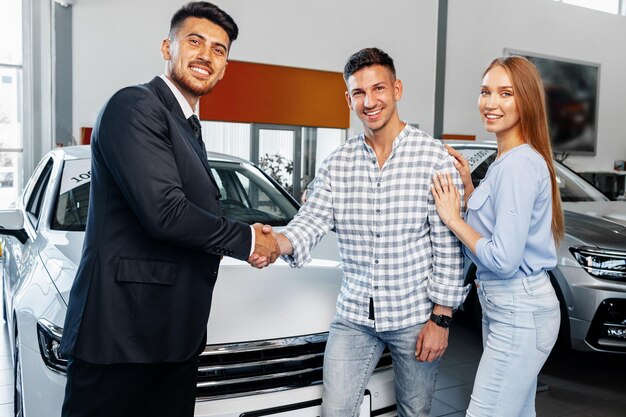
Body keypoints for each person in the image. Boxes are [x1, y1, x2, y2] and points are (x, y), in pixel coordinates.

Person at [59, 3, 279, 417]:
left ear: (225, 67)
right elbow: (166, 212)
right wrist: (250, 239)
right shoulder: (135, 105)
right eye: (195, 41)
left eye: (218, 50)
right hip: (122, 339)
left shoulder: (188, 124)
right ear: (167, 46)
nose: (206, 56)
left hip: (172, 337)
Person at [251, 47, 467, 417]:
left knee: (414, 412)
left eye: (378, 89)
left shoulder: (434, 159)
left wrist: (440, 319)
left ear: (397, 89)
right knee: (335, 412)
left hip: (415, 317)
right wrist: (273, 243)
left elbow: (449, 248)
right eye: (359, 93)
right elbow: (309, 222)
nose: (370, 101)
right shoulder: (338, 163)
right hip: (354, 317)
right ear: (348, 99)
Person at [430, 56, 564, 417]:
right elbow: (498, 225)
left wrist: (452, 217)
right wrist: (469, 187)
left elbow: (503, 259)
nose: (491, 103)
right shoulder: (508, 161)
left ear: (527, 100)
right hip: (509, 307)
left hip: (520, 309)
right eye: (485, 91)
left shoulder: (519, 165)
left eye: (506, 93)